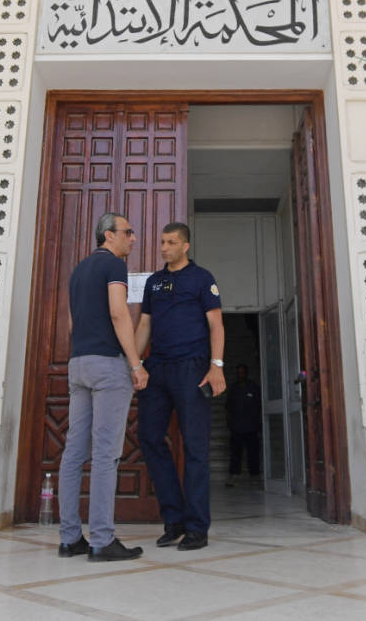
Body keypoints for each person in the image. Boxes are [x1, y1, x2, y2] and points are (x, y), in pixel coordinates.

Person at [57, 212, 148, 562]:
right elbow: (119, 313)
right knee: (106, 455)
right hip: (108, 366)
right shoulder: (113, 266)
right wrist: (136, 363)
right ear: (108, 236)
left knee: (73, 453)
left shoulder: (79, 271)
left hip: (78, 364)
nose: (133, 238)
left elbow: (71, 322)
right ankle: (101, 540)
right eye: (128, 232)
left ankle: (69, 539)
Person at [134, 222, 224, 551]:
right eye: (162, 241)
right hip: (157, 368)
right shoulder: (154, 283)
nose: (164, 247)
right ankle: (174, 520)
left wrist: (217, 366)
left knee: (196, 446)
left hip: (192, 368)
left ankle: (197, 527)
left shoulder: (202, 278)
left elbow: (216, 324)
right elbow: (145, 323)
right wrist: (133, 363)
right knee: (149, 437)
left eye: (171, 242)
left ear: (186, 246)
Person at [226, 364, 261, 485]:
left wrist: (258, 423)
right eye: (239, 373)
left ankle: (255, 476)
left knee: (253, 453)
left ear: (246, 373)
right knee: (235, 453)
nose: (241, 375)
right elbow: (228, 407)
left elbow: (259, 406)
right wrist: (230, 423)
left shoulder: (254, 387)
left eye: (243, 372)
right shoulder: (233, 389)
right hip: (237, 427)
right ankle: (234, 475)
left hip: (251, 427)